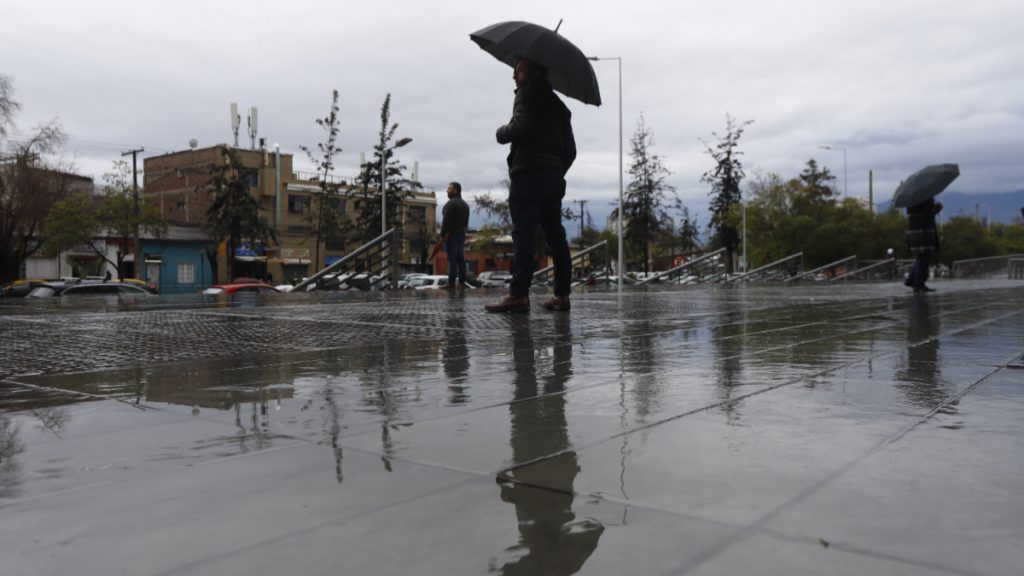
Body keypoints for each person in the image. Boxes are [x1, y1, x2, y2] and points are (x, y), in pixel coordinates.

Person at [485, 57, 576, 313]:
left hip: (528, 176)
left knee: (523, 233)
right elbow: (570, 150)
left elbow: (521, 126)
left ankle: (518, 294)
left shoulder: (527, 95)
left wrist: (500, 132)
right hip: (552, 179)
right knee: (556, 236)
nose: (514, 75)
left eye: (519, 69)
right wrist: (555, 170)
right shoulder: (560, 108)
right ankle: (562, 295)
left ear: (533, 70)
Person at [905, 197, 942, 293]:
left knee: (921, 256)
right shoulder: (925, 197)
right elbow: (930, 211)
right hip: (923, 229)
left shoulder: (910, 200)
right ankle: (918, 284)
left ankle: (912, 279)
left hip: (913, 229)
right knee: (924, 256)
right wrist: (938, 206)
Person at [440, 181, 470, 288]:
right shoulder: (466, 205)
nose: (447, 191)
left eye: (449, 189)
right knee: (461, 258)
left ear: (455, 190)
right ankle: (462, 282)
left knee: (452, 259)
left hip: (451, 235)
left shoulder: (450, 204)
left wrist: (442, 235)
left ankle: (451, 282)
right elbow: (466, 223)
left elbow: (446, 221)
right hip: (461, 235)